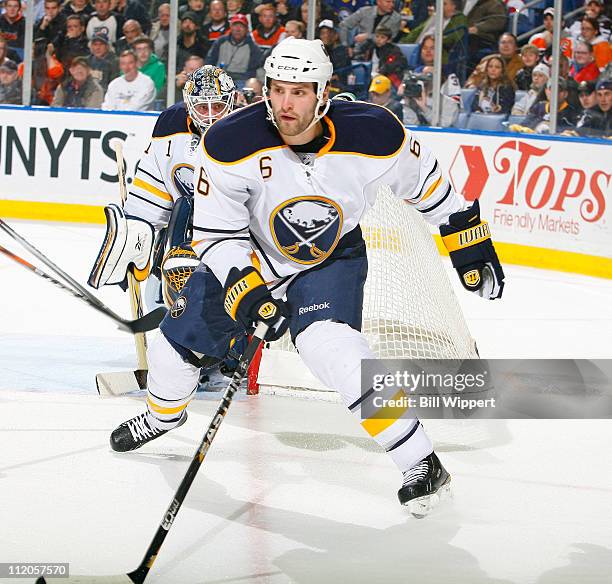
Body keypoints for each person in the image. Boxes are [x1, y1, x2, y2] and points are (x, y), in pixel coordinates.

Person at [105, 39, 505, 514]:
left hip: (331, 258)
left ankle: (419, 460)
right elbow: (217, 234)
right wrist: (246, 290)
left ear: (322, 92)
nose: (286, 103)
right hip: (255, 256)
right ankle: (161, 414)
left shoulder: (374, 133)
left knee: (332, 348)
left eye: (298, 91)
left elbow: (432, 187)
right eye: (277, 90)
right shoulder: (230, 142)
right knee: (175, 348)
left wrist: (469, 243)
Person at [89, 65, 238, 387]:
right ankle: (198, 355)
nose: (211, 115)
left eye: (218, 105)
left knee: (331, 342)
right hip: (188, 228)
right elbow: (153, 188)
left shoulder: (248, 133)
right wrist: (136, 235)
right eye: (202, 106)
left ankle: (220, 352)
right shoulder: (172, 127)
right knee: (166, 282)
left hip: (234, 234)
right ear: (189, 105)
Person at [400, 0, 467, 68]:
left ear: (453, 6)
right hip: (418, 48)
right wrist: (403, 41)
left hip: (439, 50)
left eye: (444, 4)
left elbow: (453, 38)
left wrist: (432, 40)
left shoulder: (460, 18)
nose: (440, 6)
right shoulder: (435, 16)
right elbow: (417, 31)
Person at [205, 14, 263, 82]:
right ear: (231, 27)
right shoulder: (221, 41)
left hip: (241, 80)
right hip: (219, 77)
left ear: (247, 29)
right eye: (235, 26)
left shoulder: (253, 47)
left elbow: (252, 71)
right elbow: (210, 60)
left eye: (241, 26)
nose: (238, 29)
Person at [511, 78, 579, 134]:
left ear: (565, 94)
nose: (555, 92)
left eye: (559, 90)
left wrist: (547, 128)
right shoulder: (538, 107)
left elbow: (571, 132)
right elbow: (525, 124)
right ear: (546, 91)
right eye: (551, 89)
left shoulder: (572, 113)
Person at [355, 24, 408, 88]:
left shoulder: (393, 50)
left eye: (382, 37)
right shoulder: (371, 46)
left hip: (385, 77)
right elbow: (357, 53)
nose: (379, 39)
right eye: (377, 36)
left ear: (388, 40)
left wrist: (379, 73)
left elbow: (390, 66)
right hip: (368, 74)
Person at [464, 0, 507, 71]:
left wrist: (477, 28)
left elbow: (498, 21)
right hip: (467, 37)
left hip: (483, 39)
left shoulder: (495, 3)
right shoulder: (471, 4)